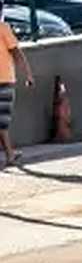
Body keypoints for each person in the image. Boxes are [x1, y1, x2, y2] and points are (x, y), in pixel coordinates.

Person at [0, 18, 36, 169]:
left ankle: (10, 154)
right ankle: (10, 154)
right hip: (4, 79)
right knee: (2, 121)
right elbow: (16, 52)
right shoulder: (3, 28)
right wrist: (28, 75)